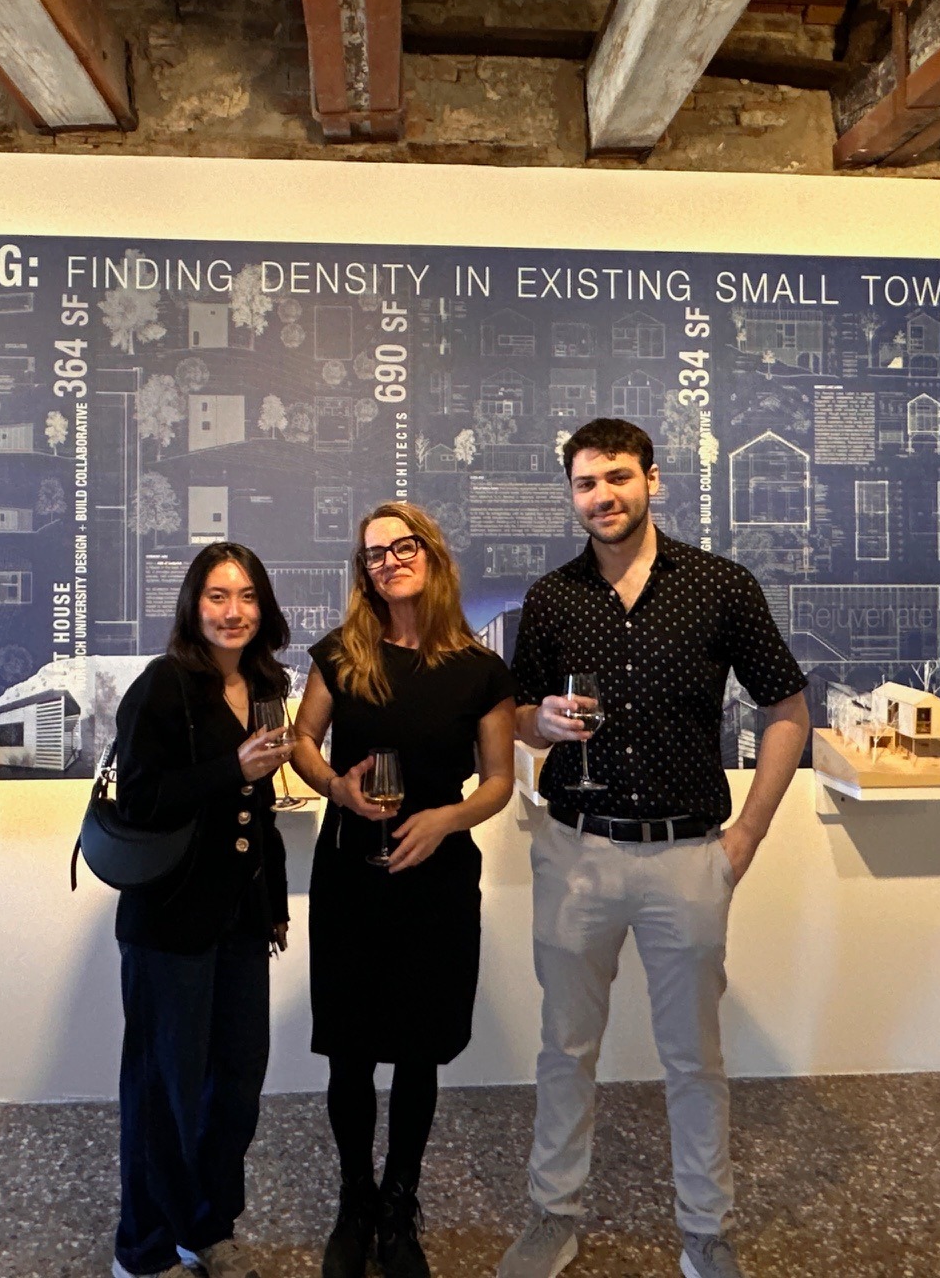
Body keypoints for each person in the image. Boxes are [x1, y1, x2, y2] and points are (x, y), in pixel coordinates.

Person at [496, 419, 810, 1278]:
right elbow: (517, 716)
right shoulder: (552, 599)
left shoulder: (719, 586)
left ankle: (705, 1230)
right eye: (587, 484)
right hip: (576, 851)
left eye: (619, 478)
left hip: (688, 855)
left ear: (654, 482)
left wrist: (747, 832)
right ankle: (552, 1215)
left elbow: (788, 709)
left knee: (694, 1058)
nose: (603, 497)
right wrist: (539, 725)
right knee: (565, 1048)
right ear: (572, 495)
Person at [289, 501, 518, 1278]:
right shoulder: (341, 655)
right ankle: (355, 1202)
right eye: (373, 555)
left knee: (420, 1051)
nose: (388, 561)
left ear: (432, 554)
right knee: (349, 1053)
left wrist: (446, 820)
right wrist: (337, 789)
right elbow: (300, 744)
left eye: (401, 546)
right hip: (352, 870)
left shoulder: (482, 670)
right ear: (364, 573)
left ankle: (400, 1204)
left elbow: (497, 784)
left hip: (438, 879)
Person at [111, 543, 295, 1278]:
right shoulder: (164, 687)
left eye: (247, 596)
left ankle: (207, 1225)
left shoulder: (266, 681)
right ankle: (146, 1246)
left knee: (237, 1082)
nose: (234, 611)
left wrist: (274, 902)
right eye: (218, 596)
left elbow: (263, 810)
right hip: (172, 921)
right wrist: (232, 768)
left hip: (243, 922)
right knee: (164, 1090)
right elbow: (140, 799)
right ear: (193, 605)